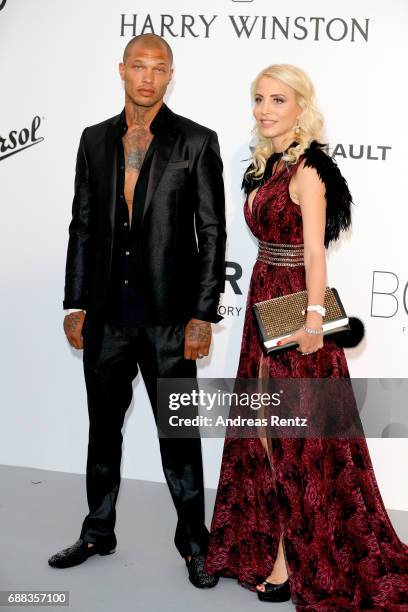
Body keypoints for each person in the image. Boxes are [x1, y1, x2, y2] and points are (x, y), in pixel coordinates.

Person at [204, 64, 408, 609]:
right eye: (258, 100)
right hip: (261, 302)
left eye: (278, 100)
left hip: (294, 305)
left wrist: (314, 320)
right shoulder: (268, 163)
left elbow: (315, 253)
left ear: (301, 107)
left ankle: (286, 559)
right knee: (266, 433)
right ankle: (277, 539)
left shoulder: (310, 168)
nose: (265, 110)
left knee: (294, 435)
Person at [48, 34, 226, 589]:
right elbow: (81, 224)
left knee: (178, 435)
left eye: (159, 68)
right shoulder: (93, 140)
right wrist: (75, 301)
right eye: (138, 66)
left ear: (172, 75)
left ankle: (196, 545)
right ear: (120, 70)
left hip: (170, 322)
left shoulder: (196, 141)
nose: (147, 77)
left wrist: (202, 315)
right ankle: (99, 530)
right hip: (105, 318)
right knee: (103, 432)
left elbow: (213, 232)